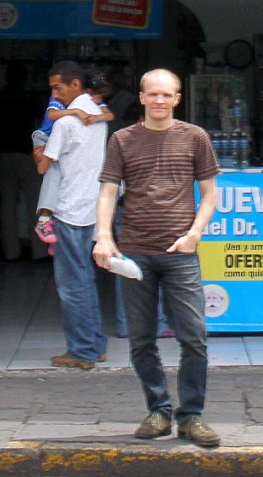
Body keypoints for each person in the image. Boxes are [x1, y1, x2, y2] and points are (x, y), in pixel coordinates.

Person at [92, 68, 221, 448]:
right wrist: (103, 237)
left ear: (177, 99)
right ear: (143, 97)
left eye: (167, 95)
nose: (160, 101)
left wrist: (194, 234)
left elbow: (210, 194)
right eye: (153, 95)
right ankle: (159, 410)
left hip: (180, 252)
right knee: (141, 339)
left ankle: (192, 416)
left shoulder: (195, 138)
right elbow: (107, 192)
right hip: (134, 252)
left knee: (194, 338)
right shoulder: (122, 139)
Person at [32, 61, 109, 369]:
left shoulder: (65, 124)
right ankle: (95, 345)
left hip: (67, 209)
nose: (54, 93)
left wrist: (39, 153)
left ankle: (82, 351)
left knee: (71, 287)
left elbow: (42, 167)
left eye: (57, 87)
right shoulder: (98, 118)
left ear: (75, 84)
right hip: (91, 206)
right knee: (85, 280)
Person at [32, 70, 114, 248]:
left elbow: (109, 115)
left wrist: (96, 117)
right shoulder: (64, 109)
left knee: (57, 173)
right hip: (43, 138)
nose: (54, 93)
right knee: (51, 172)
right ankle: (44, 219)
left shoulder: (92, 105)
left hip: (57, 144)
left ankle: (48, 225)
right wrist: (76, 111)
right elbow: (52, 116)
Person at [0, 63, 38, 261]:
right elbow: (41, 124)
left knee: (7, 205)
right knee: (35, 203)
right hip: (27, 153)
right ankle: (39, 251)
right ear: (24, 78)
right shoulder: (30, 97)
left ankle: (11, 251)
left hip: (5, 153)